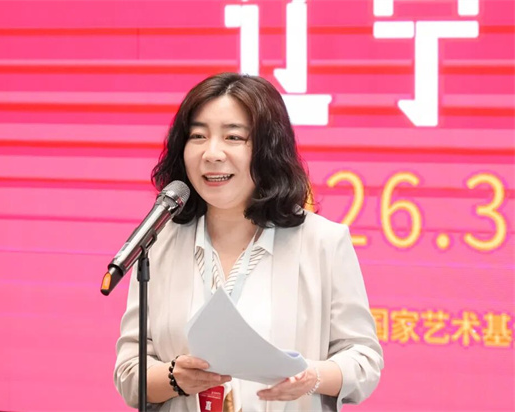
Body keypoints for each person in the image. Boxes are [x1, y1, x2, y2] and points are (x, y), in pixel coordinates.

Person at [114, 72, 383, 412]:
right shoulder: (157, 243)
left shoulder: (323, 242)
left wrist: (311, 376)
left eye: (233, 137)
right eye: (198, 136)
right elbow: (128, 371)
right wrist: (174, 378)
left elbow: (364, 358)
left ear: (268, 149)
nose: (212, 153)